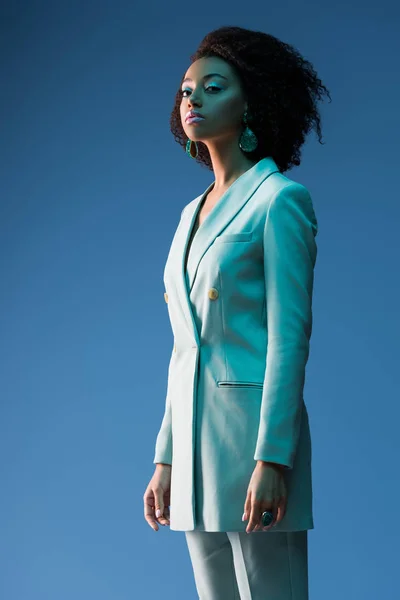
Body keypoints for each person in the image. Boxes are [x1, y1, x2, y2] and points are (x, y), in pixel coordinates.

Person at [143, 25, 331, 600]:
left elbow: (288, 339)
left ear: (251, 101)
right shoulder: (187, 216)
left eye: (212, 87)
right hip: (195, 455)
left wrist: (274, 459)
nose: (192, 99)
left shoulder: (280, 200)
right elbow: (185, 349)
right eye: (185, 91)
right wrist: (166, 457)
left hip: (253, 448)